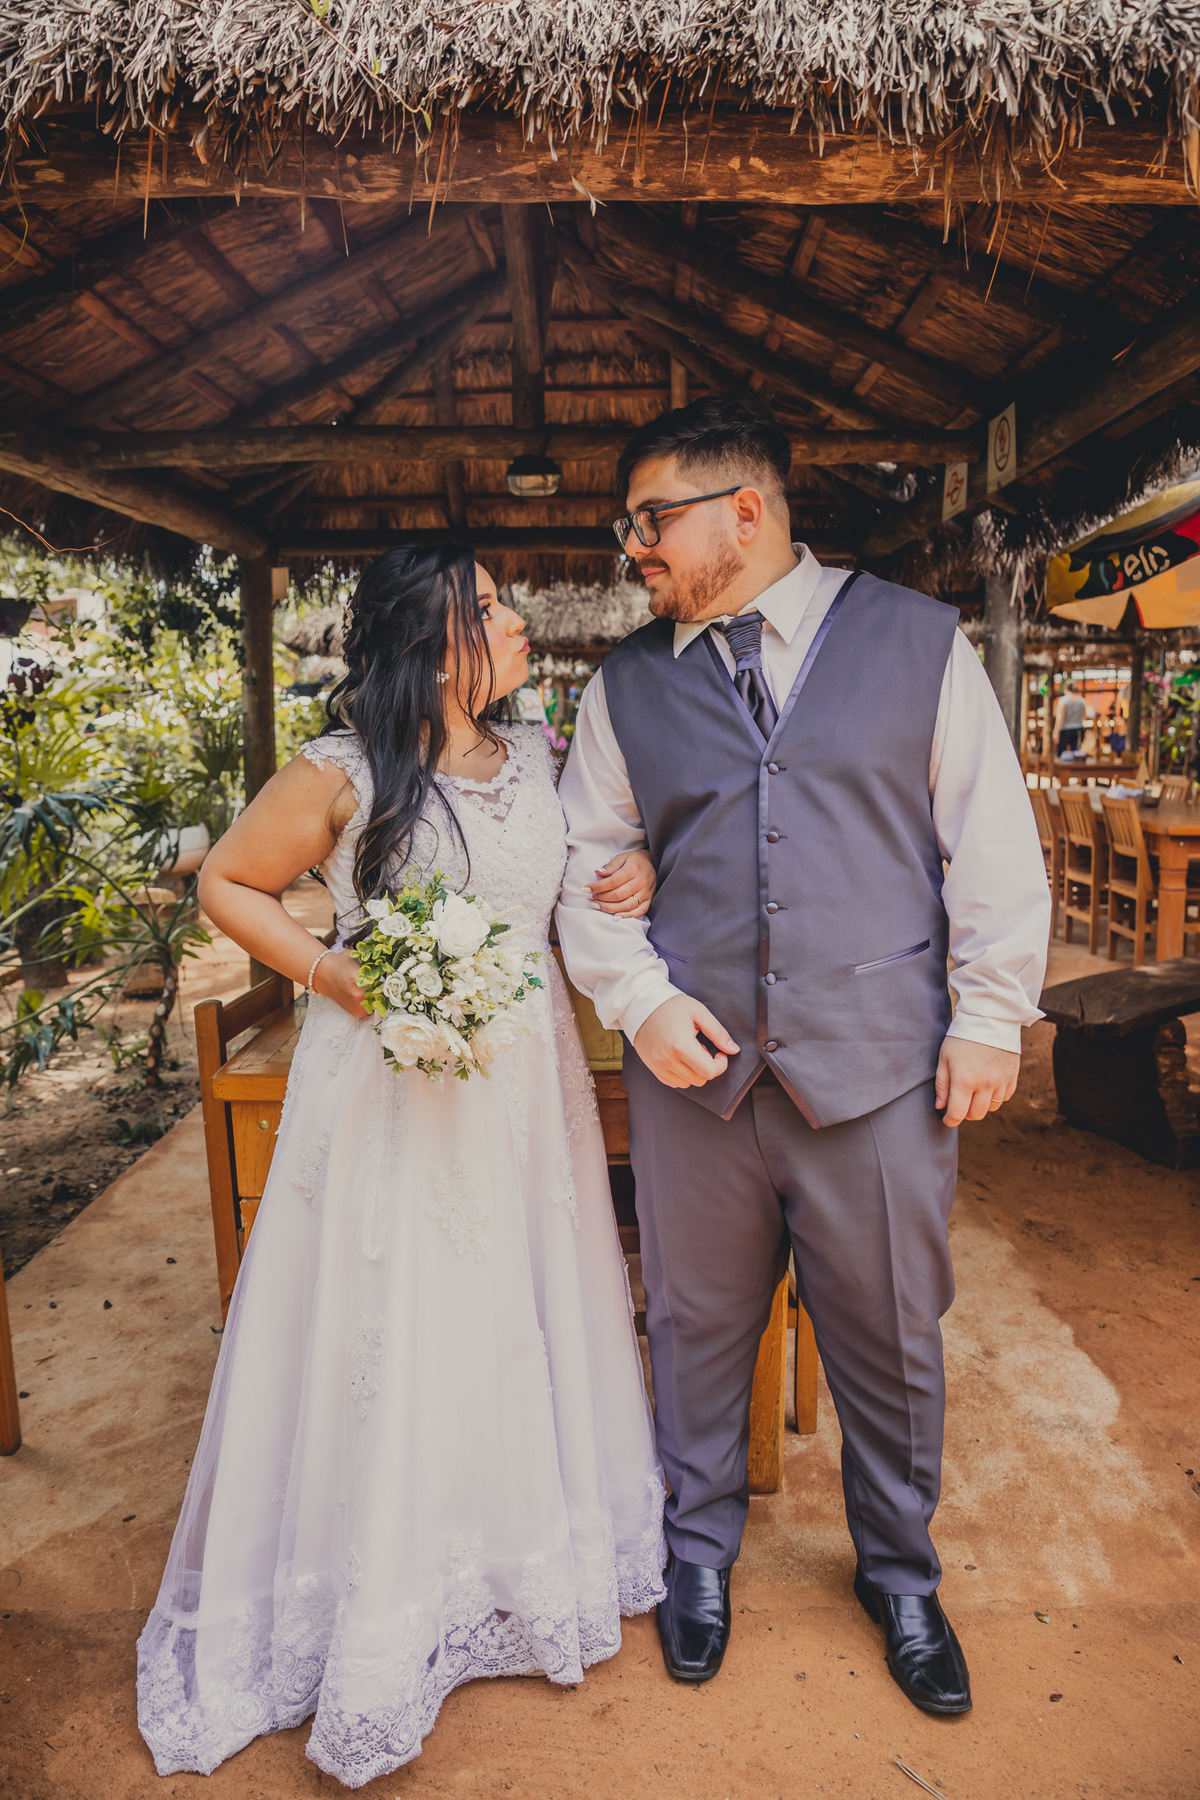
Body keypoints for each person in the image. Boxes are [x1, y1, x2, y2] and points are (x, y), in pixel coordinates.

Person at [136, 546, 666, 1786]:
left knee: (511, 1316)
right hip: (389, 1084)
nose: (518, 619)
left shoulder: (537, 750)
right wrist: (340, 976)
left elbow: (592, 863)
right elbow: (226, 880)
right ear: (432, 644)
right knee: (396, 1323)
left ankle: (506, 1555)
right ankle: (377, 1600)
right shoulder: (345, 771)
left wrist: (640, 869)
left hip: (521, 1090)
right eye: (488, 608)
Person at [555, 396, 1050, 1716]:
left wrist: (990, 1015)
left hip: (880, 1072)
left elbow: (991, 842)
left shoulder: (915, 642)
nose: (635, 549)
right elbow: (577, 861)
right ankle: (697, 1553)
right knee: (693, 1329)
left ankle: (899, 1574)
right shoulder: (624, 687)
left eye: (651, 521)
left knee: (891, 1339)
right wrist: (643, 1003)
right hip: (695, 1086)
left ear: (746, 511)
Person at [1054, 679, 1088, 758]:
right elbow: (1085, 717)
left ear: (1066, 689)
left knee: (1061, 755)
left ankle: (1062, 770)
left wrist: (1056, 732)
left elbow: (1060, 717)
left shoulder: (1063, 700)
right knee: (1076, 755)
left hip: (1065, 730)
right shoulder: (1082, 701)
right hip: (1078, 730)